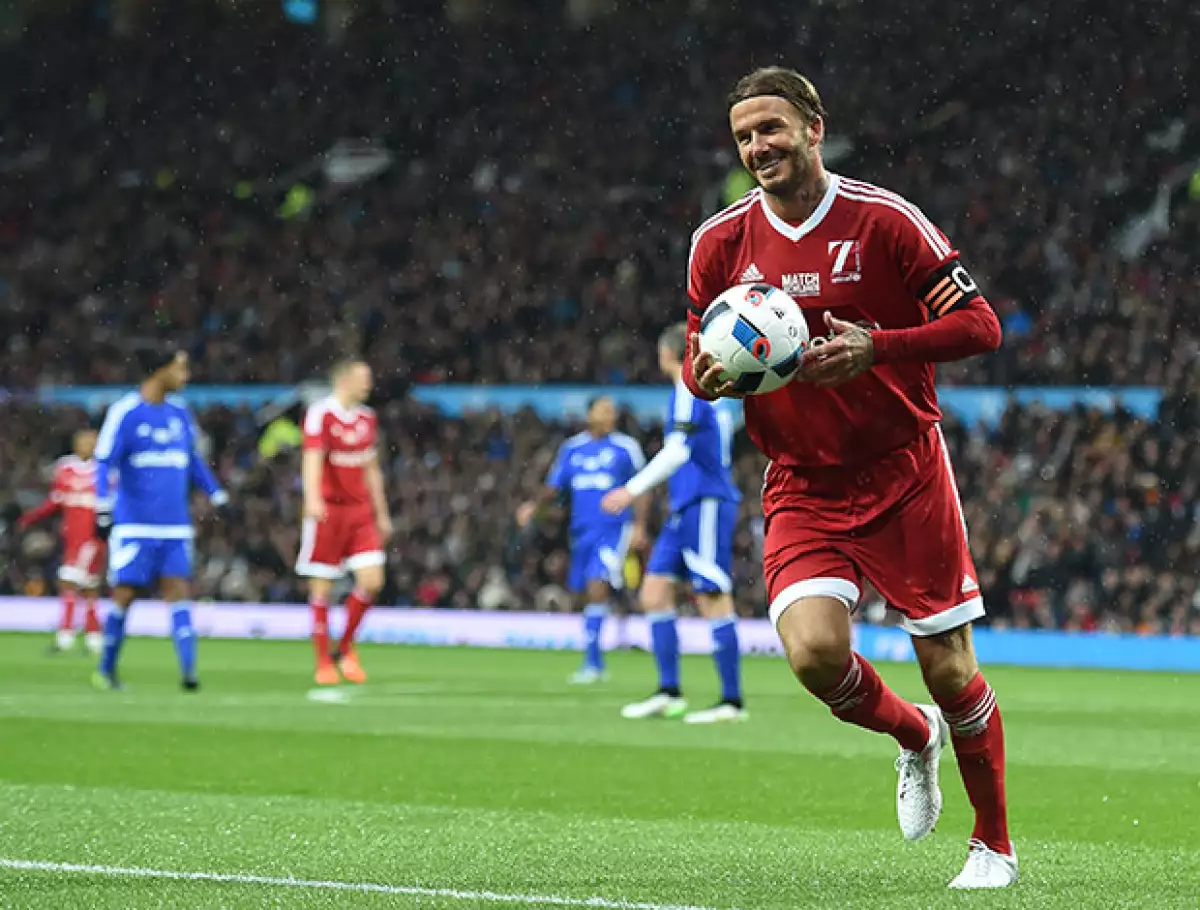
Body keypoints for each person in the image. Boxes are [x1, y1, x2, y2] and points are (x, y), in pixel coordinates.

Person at [684, 67, 1013, 889]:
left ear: (813, 127)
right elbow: (697, 361)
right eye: (744, 136)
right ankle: (912, 736)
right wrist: (709, 375)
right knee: (814, 655)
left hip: (903, 470)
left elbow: (981, 326)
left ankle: (993, 845)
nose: (759, 146)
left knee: (950, 667)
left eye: (771, 128)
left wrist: (879, 347)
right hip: (802, 479)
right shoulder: (718, 242)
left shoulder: (884, 219)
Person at [601, 324, 746, 724]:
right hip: (686, 504)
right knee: (654, 591)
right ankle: (669, 691)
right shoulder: (711, 392)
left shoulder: (688, 387)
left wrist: (630, 490)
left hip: (705, 501)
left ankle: (731, 701)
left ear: (667, 354)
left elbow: (679, 449)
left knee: (713, 594)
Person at [92, 348, 229, 691]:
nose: (186, 376)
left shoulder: (180, 413)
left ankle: (189, 672)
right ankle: (105, 670)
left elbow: (193, 459)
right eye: (180, 368)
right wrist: (102, 507)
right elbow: (104, 460)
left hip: (174, 524)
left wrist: (216, 494)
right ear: (159, 371)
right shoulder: (125, 412)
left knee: (179, 591)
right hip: (134, 524)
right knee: (124, 594)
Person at [517, 397, 646, 684]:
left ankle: (593, 663)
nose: (610, 415)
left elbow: (642, 487)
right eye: (604, 410)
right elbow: (554, 488)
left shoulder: (626, 448)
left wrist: (639, 525)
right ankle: (602, 647)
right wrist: (532, 506)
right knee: (586, 593)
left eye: (612, 410)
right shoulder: (572, 449)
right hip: (582, 530)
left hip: (614, 529)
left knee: (597, 585)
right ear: (589, 414)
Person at [295, 358, 392, 687]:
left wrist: (382, 512)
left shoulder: (367, 418)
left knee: (373, 581)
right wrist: (312, 497)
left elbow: (371, 468)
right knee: (322, 587)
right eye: (363, 378)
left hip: (360, 512)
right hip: (329, 511)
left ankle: (344, 647)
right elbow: (312, 456)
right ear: (344, 380)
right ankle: (323, 660)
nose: (369, 384)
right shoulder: (321, 413)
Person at [17, 429, 105, 654]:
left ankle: (69, 636)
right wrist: (30, 518)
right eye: (84, 441)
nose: (88, 445)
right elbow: (55, 501)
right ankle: (92, 638)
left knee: (74, 584)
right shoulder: (65, 468)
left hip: (92, 538)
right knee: (85, 587)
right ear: (75, 444)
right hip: (71, 537)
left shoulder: (104, 469)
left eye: (92, 442)